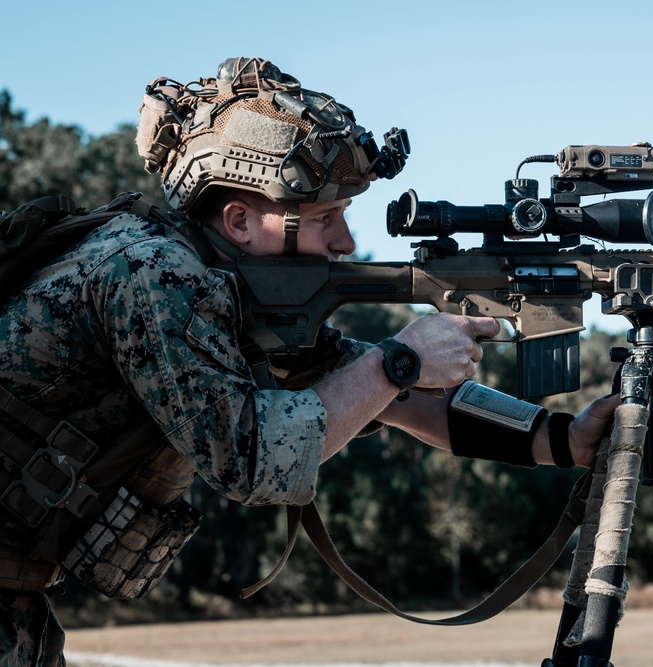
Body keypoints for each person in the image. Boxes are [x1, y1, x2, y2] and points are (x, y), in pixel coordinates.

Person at [0, 57, 619, 665]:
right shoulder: (153, 272)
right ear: (240, 220)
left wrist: (560, 440)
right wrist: (399, 359)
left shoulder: (226, 291)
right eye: (326, 217)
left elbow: (392, 396)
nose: (346, 243)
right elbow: (251, 458)